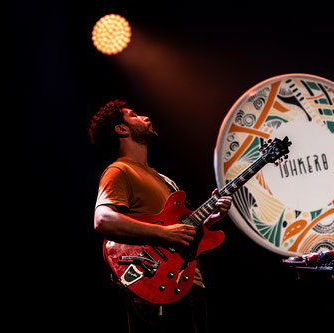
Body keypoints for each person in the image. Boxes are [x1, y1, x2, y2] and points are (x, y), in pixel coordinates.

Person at [89, 99, 232, 333]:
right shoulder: (119, 170)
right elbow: (103, 219)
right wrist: (164, 233)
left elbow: (181, 232)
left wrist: (210, 220)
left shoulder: (163, 179)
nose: (145, 117)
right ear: (121, 129)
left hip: (187, 282)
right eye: (134, 115)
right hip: (156, 287)